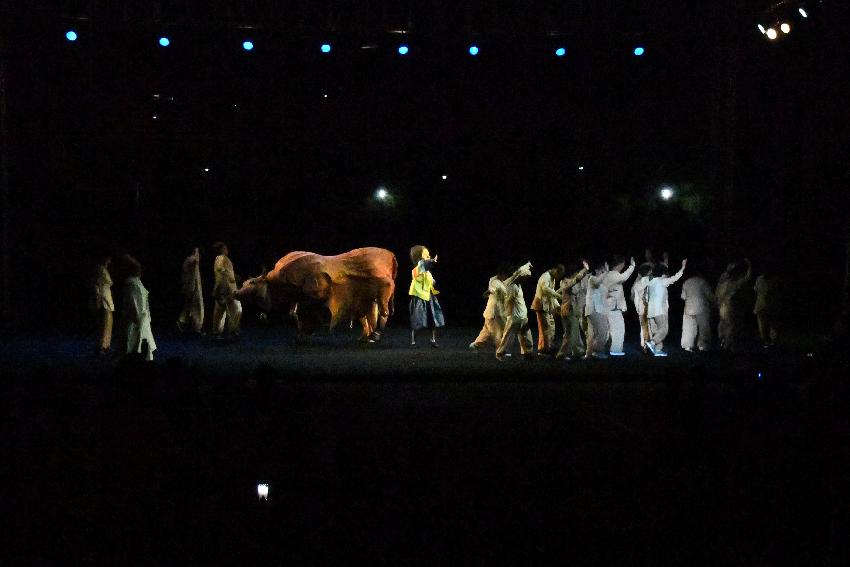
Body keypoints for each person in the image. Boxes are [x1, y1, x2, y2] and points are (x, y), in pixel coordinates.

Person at [645, 258, 687, 356]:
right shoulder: (662, 281)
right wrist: (683, 267)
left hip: (650, 311)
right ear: (663, 274)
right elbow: (675, 278)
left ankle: (658, 350)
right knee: (664, 329)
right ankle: (652, 343)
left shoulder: (650, 283)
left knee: (657, 332)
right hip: (660, 311)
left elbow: (647, 297)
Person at [121, 255, 157, 361]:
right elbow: (134, 303)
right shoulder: (132, 284)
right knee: (134, 342)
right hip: (137, 320)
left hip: (141, 318)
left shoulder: (136, 283)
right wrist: (137, 317)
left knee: (140, 342)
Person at [495, 262, 533, 361]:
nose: (526, 279)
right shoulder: (512, 286)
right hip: (515, 316)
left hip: (522, 315)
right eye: (525, 277)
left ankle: (527, 353)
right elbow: (509, 301)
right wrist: (509, 315)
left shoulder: (517, 284)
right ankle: (500, 353)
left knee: (525, 334)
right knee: (508, 336)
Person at [469, 263, 512, 350]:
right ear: (501, 273)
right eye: (506, 274)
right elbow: (494, 288)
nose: (507, 276)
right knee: (499, 332)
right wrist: (491, 291)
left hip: (495, 313)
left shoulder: (504, 281)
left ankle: (475, 345)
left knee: (487, 331)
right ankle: (500, 351)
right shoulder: (494, 281)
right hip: (494, 313)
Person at [408, 245, 444, 347]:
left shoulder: (427, 272)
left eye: (429, 255)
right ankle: (413, 341)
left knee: (432, 319)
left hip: (429, 297)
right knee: (417, 320)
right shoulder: (416, 270)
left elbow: (431, 281)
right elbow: (423, 266)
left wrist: (432, 282)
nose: (428, 257)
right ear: (419, 257)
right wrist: (432, 261)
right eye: (426, 255)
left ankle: (432, 340)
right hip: (419, 298)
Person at [601, 255, 636, 356]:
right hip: (613, 307)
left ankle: (602, 349)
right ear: (620, 264)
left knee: (608, 330)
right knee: (618, 329)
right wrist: (632, 266)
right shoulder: (614, 275)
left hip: (607, 306)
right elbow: (624, 277)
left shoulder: (607, 274)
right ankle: (615, 350)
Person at [555, 261, 590, 360]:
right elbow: (576, 280)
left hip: (569, 310)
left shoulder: (565, 282)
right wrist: (585, 270)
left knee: (575, 332)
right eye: (576, 272)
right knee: (571, 334)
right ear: (573, 273)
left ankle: (579, 351)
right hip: (568, 311)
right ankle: (562, 354)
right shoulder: (567, 282)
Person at [716, 258, 752, 352]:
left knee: (723, 325)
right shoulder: (735, 283)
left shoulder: (722, 283)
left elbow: (717, 294)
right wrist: (750, 266)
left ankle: (724, 342)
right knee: (732, 327)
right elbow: (747, 278)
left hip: (722, 307)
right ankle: (729, 346)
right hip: (730, 308)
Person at [531, 263, 566, 355]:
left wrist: (557, 305)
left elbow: (551, 293)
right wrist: (559, 296)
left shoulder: (552, 278)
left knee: (550, 327)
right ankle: (543, 349)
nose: (558, 277)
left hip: (546, 306)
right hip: (541, 305)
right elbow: (545, 289)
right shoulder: (545, 276)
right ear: (555, 270)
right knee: (545, 328)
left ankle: (547, 347)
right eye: (559, 274)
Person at [211, 241, 242, 338]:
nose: (227, 249)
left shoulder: (220, 258)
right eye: (225, 248)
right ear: (221, 249)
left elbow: (222, 271)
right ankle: (231, 331)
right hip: (226, 289)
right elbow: (220, 269)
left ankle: (219, 332)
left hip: (225, 288)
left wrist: (232, 275)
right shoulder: (221, 258)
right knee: (235, 309)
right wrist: (230, 276)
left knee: (222, 312)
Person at [680, 267, 715, 352]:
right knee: (704, 327)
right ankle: (703, 346)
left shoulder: (686, 282)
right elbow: (710, 296)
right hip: (702, 308)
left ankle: (688, 346)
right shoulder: (703, 282)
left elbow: (683, 297)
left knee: (689, 328)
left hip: (689, 308)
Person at [584, 261, 611, 359]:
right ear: (597, 270)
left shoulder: (601, 283)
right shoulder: (592, 279)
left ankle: (589, 353)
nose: (604, 273)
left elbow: (603, 295)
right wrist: (606, 272)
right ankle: (597, 351)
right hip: (594, 310)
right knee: (603, 332)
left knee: (593, 334)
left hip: (599, 310)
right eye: (602, 270)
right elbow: (597, 282)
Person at [177, 247, 204, 335]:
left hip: (190, 287)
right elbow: (196, 261)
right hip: (192, 288)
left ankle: (184, 323)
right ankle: (195, 328)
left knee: (189, 307)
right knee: (196, 307)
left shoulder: (187, 260)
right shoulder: (191, 259)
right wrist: (197, 251)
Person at [90, 255, 114, 355]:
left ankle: (106, 346)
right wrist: (97, 300)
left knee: (108, 324)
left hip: (107, 299)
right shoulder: (100, 270)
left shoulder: (103, 269)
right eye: (107, 259)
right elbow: (97, 286)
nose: (109, 261)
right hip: (103, 299)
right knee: (104, 325)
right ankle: (101, 347)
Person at [753, 266, 779, 348]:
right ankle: (769, 342)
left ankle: (766, 342)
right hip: (768, 306)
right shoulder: (774, 280)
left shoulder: (760, 279)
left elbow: (755, 289)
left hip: (762, 306)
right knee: (770, 324)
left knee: (764, 325)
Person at [631, 262, 654, 353]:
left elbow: (634, 296)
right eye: (651, 271)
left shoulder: (637, 283)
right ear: (648, 272)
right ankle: (647, 345)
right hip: (647, 307)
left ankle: (645, 345)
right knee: (648, 327)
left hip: (641, 307)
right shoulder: (650, 281)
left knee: (644, 327)